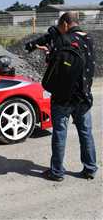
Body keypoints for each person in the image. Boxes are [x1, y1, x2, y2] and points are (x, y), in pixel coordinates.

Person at [38, 12, 97, 181]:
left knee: (60, 134)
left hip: (63, 98)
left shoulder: (62, 40)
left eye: (59, 26)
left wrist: (48, 54)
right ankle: (90, 169)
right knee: (86, 133)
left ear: (65, 24)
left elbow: (55, 65)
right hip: (84, 97)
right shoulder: (89, 39)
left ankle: (57, 172)